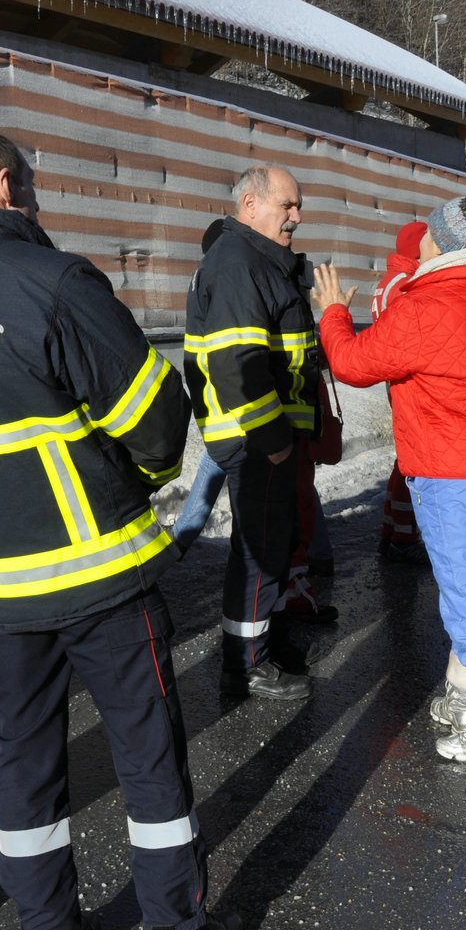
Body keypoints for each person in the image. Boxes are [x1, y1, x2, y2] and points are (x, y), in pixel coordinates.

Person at [0, 128, 245, 930]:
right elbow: (154, 428)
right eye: (30, 186)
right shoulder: (56, 282)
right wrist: (131, 477)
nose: (36, 200)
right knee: (147, 751)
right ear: (7, 187)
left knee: (26, 761)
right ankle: (173, 929)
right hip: (103, 572)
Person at [316, 181, 466, 763]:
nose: (418, 240)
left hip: (449, 474)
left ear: (445, 246)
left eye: (428, 233)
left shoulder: (421, 308)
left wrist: (332, 313)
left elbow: (351, 364)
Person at [184, 165, 321, 700]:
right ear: (249, 204)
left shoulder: (254, 261)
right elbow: (238, 367)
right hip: (256, 440)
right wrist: (277, 443)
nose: (297, 217)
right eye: (287, 205)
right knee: (260, 550)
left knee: (268, 542)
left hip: (263, 439)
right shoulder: (239, 263)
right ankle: (246, 662)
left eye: (297, 206)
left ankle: (260, 640)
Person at [374, 220, 430, 566]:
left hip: (396, 380)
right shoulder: (409, 285)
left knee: (405, 458)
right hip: (412, 383)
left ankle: (392, 530)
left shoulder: (388, 282)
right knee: (415, 461)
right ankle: (404, 536)